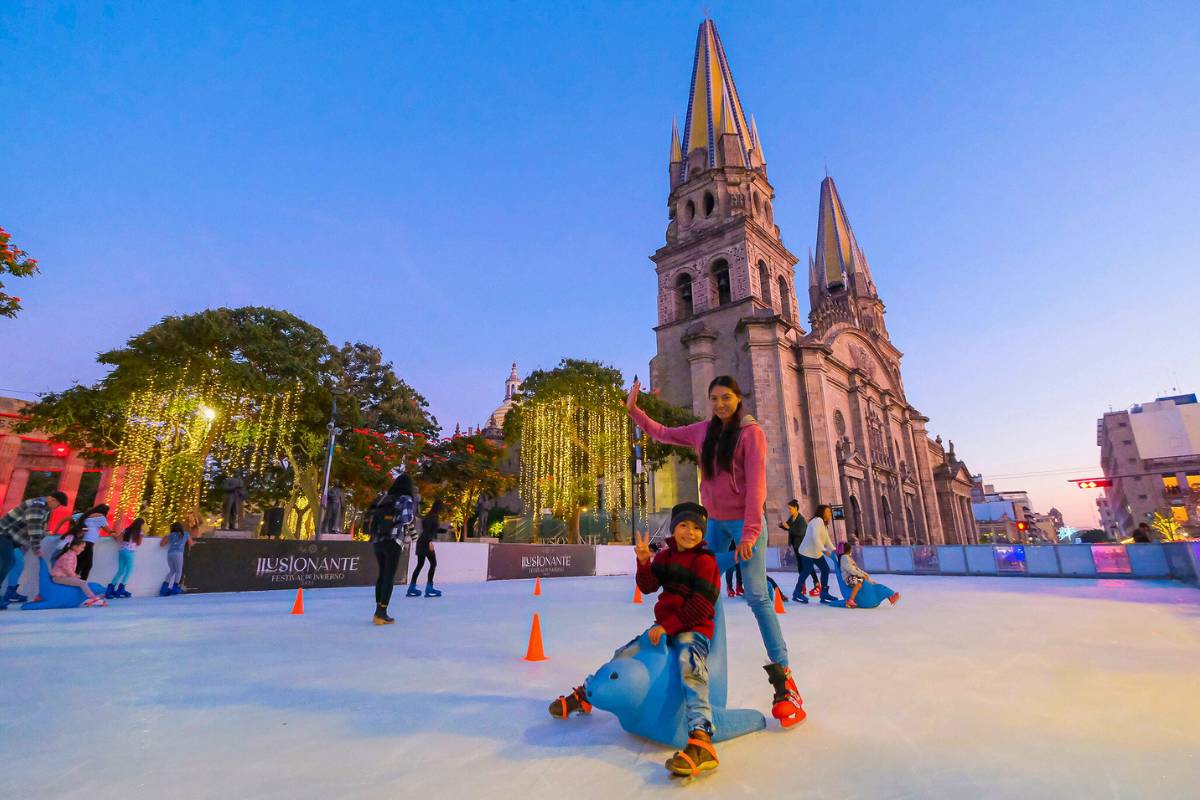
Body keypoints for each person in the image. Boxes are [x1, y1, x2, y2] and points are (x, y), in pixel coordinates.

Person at [627, 375, 803, 727]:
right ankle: (694, 668)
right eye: (715, 398)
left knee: (756, 596)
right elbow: (663, 432)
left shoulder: (751, 434)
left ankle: (785, 681)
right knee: (700, 591)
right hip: (714, 524)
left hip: (744, 524)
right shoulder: (703, 431)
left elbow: (756, 487)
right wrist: (634, 410)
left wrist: (751, 534)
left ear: (738, 399)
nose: (720, 404)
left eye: (726, 397)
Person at [548, 502, 722, 777]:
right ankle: (587, 694)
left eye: (696, 528)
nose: (690, 533)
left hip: (694, 628)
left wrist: (668, 626)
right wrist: (644, 562)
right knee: (624, 653)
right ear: (674, 528)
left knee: (691, 668)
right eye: (684, 526)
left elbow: (702, 605)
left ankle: (702, 739)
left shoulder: (705, 561)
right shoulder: (666, 557)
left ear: (703, 533)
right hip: (664, 627)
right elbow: (648, 586)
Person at [0, 491, 67, 610]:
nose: (57, 507)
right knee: (8, 562)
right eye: (58, 504)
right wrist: (36, 547)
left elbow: (35, 527)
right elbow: (34, 527)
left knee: (14, 563)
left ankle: (11, 591)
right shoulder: (38, 505)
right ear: (52, 499)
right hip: (3, 534)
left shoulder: (43, 508)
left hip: (11, 538)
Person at [366, 472, 417, 625]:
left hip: (377, 540)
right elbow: (407, 518)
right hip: (393, 541)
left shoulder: (384, 498)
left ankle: (377, 611)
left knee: (382, 575)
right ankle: (382, 613)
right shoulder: (406, 499)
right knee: (389, 576)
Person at [780, 499, 818, 603]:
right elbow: (789, 528)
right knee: (801, 565)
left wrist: (788, 527)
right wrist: (782, 526)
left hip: (803, 546)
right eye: (788, 508)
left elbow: (800, 532)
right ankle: (803, 585)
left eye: (790, 508)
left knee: (806, 565)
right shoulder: (792, 518)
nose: (789, 510)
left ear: (795, 508)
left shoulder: (800, 519)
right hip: (796, 546)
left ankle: (816, 583)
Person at [798, 505, 838, 604]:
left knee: (825, 569)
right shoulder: (817, 521)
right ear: (822, 512)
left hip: (816, 552)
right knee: (806, 571)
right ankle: (797, 592)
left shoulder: (823, 524)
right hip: (807, 551)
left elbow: (826, 539)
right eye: (828, 511)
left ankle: (824, 593)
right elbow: (815, 537)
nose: (830, 513)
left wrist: (835, 550)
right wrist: (824, 550)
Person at [51, 538, 107, 607]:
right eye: (82, 547)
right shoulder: (69, 555)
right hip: (59, 577)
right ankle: (93, 598)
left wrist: (74, 576)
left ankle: (88, 598)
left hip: (62, 576)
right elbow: (67, 568)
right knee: (82, 583)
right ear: (74, 547)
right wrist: (74, 575)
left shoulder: (71, 554)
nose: (83, 549)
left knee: (81, 582)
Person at [408, 499, 444, 598]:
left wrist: (444, 530)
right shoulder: (434, 517)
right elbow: (429, 530)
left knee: (420, 564)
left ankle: (412, 587)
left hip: (421, 541)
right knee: (433, 563)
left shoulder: (429, 516)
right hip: (425, 541)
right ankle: (429, 587)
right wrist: (429, 542)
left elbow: (431, 529)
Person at [65, 504, 111, 581]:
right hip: (88, 542)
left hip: (79, 541)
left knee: (79, 561)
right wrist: (115, 533)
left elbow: (66, 518)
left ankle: (72, 580)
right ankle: (80, 581)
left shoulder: (84, 515)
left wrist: (56, 530)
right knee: (88, 564)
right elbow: (108, 531)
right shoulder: (101, 517)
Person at [105, 518, 144, 599]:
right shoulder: (139, 532)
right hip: (130, 552)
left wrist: (113, 535)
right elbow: (139, 543)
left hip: (122, 551)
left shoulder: (126, 530)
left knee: (120, 570)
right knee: (129, 570)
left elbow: (118, 539)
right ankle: (121, 588)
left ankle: (110, 589)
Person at [159, 519, 196, 596]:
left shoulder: (170, 535)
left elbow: (162, 544)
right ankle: (175, 588)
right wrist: (194, 542)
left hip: (170, 554)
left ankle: (164, 588)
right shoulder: (185, 534)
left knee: (172, 570)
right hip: (178, 554)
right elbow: (191, 543)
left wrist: (165, 537)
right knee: (179, 571)